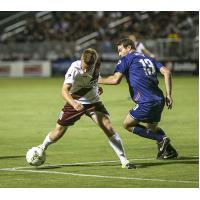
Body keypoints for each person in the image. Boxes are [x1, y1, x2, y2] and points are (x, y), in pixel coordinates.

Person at [35, 48, 136, 169]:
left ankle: (124, 161)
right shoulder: (74, 68)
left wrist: (96, 86)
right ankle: (41, 148)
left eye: (89, 67)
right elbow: (64, 91)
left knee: (108, 126)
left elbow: (94, 77)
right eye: (84, 66)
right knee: (59, 130)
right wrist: (74, 103)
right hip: (75, 101)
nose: (85, 69)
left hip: (93, 101)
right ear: (81, 59)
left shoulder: (96, 63)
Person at [98, 38, 178, 159]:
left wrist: (98, 80)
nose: (119, 54)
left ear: (129, 48)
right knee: (152, 128)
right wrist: (169, 95)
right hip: (159, 99)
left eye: (120, 50)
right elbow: (166, 72)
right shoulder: (148, 58)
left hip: (146, 101)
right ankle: (169, 151)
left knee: (127, 124)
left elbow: (115, 80)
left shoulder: (126, 59)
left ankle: (162, 139)